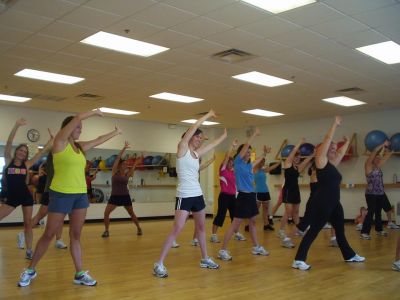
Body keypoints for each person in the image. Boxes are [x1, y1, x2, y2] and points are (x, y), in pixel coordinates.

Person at [18, 109, 121, 287]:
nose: (80, 129)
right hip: (61, 194)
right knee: (49, 234)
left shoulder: (79, 148)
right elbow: (78, 117)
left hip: (80, 195)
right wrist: (94, 112)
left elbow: (97, 140)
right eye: (77, 126)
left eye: (81, 127)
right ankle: (30, 269)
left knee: (75, 235)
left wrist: (115, 132)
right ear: (68, 127)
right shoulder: (59, 142)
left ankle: (79, 273)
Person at [153, 109, 227, 278]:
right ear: (190, 136)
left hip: (197, 195)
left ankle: (205, 258)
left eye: (201, 138)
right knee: (177, 229)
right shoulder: (182, 148)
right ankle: (159, 263)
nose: (200, 140)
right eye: (197, 137)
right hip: (184, 196)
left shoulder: (196, 154)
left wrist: (223, 137)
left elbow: (212, 145)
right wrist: (208, 115)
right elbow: (193, 127)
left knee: (201, 227)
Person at [292, 116, 365, 271]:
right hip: (323, 203)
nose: (334, 151)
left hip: (334, 203)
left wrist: (346, 143)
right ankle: (298, 260)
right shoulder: (321, 162)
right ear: (322, 150)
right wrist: (334, 125)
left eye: (334, 149)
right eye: (330, 149)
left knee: (340, 230)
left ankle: (349, 255)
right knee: (314, 231)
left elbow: (340, 153)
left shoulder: (332, 165)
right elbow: (327, 140)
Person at [0, 118, 52, 260]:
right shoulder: (8, 162)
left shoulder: (27, 165)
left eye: (25, 151)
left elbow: (41, 154)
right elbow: (9, 143)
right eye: (21, 150)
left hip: (25, 196)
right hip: (12, 198)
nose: (22, 152)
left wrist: (50, 142)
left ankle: (29, 250)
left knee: (28, 224)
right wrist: (16, 125)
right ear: (16, 152)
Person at [217, 129, 270, 262]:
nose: (248, 153)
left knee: (252, 222)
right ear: (240, 153)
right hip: (243, 197)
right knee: (235, 225)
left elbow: (257, 160)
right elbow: (245, 146)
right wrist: (253, 135)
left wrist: (264, 153)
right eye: (246, 151)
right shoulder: (238, 162)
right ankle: (222, 250)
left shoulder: (248, 165)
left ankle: (256, 247)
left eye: (249, 151)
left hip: (251, 196)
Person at [19, 152, 68, 251]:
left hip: (62, 191)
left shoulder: (63, 161)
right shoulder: (51, 158)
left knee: (60, 217)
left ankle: (58, 240)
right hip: (50, 191)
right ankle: (23, 234)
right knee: (40, 215)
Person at [101, 141, 142, 237]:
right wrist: (124, 148)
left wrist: (136, 162)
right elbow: (118, 158)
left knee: (132, 214)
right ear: (119, 165)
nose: (125, 165)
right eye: (123, 164)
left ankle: (139, 228)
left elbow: (134, 167)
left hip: (125, 196)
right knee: (106, 213)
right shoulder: (114, 171)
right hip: (114, 197)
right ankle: (106, 231)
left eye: (126, 164)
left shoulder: (128, 174)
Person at [209, 139, 246, 243]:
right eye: (229, 162)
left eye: (232, 163)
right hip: (224, 196)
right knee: (221, 215)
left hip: (233, 197)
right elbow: (226, 157)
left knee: (235, 216)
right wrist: (232, 146)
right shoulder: (223, 170)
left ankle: (237, 233)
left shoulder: (234, 172)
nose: (231, 164)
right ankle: (213, 235)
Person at [278, 139, 313, 248]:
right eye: (296, 157)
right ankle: (281, 230)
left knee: (296, 212)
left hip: (295, 191)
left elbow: (306, 161)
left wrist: (313, 154)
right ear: (292, 157)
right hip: (288, 191)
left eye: (299, 157)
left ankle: (300, 229)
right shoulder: (288, 164)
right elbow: (292, 153)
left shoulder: (298, 168)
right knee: (288, 212)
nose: (297, 158)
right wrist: (299, 143)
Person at [360, 140, 394, 239]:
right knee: (371, 212)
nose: (379, 159)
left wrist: (390, 150)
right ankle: (364, 232)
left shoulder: (378, 166)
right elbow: (375, 151)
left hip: (380, 193)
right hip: (371, 194)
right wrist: (383, 144)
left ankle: (379, 230)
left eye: (380, 158)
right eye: (377, 158)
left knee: (379, 212)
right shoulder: (368, 165)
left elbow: (386, 157)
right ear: (373, 158)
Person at [252, 157, 281, 231]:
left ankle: (266, 225)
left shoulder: (263, 170)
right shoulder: (255, 169)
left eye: (264, 162)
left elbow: (271, 167)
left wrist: (279, 163)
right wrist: (263, 155)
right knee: (255, 210)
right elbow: (255, 162)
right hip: (258, 192)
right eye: (262, 162)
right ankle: (250, 225)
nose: (263, 164)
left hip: (265, 191)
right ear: (258, 162)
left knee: (265, 209)